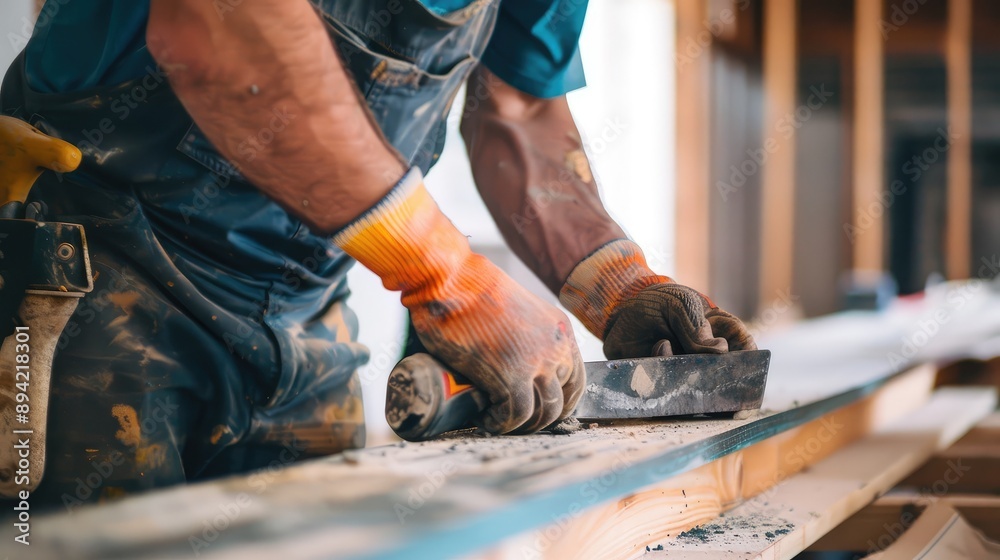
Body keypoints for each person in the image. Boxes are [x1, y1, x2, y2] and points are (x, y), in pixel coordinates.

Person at [0, 0, 755, 509]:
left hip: (304, 313)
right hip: (93, 278)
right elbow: (220, 33)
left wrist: (613, 282)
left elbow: (518, 107)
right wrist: (446, 276)